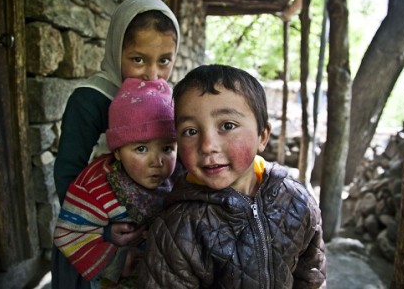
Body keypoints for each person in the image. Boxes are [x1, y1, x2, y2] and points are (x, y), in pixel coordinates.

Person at [137, 64, 327, 288]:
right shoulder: (177, 229)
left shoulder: (297, 201)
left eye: (227, 125)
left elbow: (311, 276)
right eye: (191, 131)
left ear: (262, 136)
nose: (207, 146)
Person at [52, 0, 180, 289]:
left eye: (164, 61)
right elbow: (67, 171)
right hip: (96, 238)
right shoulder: (91, 99)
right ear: (115, 50)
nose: (152, 74)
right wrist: (102, 229)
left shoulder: (167, 98)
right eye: (138, 59)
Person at [54, 78, 177, 288]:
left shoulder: (179, 179)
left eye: (167, 149)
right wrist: (116, 262)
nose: (157, 162)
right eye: (141, 149)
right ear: (118, 152)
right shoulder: (96, 188)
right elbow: (68, 233)